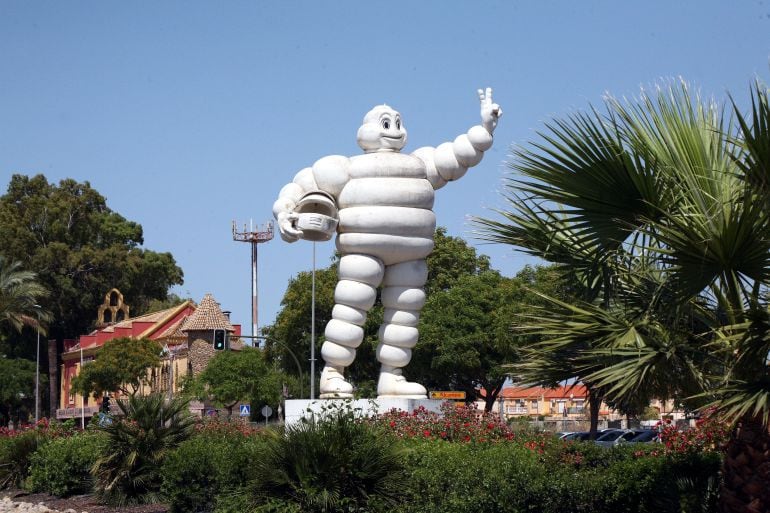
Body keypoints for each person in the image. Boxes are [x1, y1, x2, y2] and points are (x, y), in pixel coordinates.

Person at [273, 88, 502, 398]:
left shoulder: (421, 163)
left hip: (412, 253)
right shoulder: (345, 167)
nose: (393, 128)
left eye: (397, 122)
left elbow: (458, 155)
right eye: (385, 122)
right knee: (351, 308)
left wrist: (485, 128)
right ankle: (332, 373)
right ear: (367, 130)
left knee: (405, 313)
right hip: (362, 249)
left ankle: (392, 376)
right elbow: (304, 185)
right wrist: (286, 212)